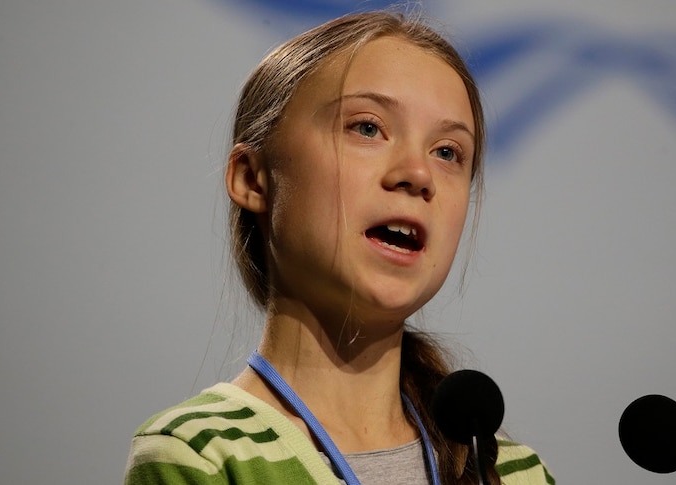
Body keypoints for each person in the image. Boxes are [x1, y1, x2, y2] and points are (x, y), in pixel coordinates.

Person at [124, 10, 553, 485]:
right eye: (367, 128)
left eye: (448, 152)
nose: (418, 174)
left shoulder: (512, 473)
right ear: (252, 178)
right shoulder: (202, 454)